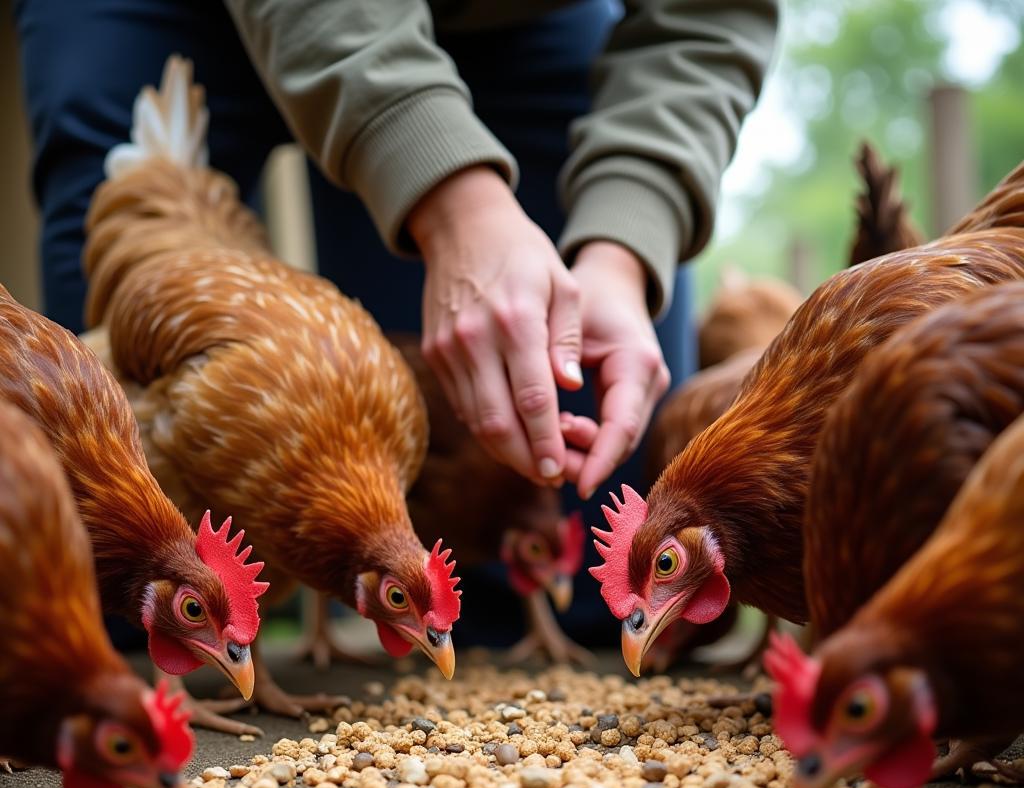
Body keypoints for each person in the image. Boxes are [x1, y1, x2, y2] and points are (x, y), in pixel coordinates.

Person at [15, 0, 778, 645]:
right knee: (109, 582)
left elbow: (710, 17)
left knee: (596, 603)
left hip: (519, 18)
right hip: (181, 15)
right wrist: (449, 200)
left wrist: (620, 251)